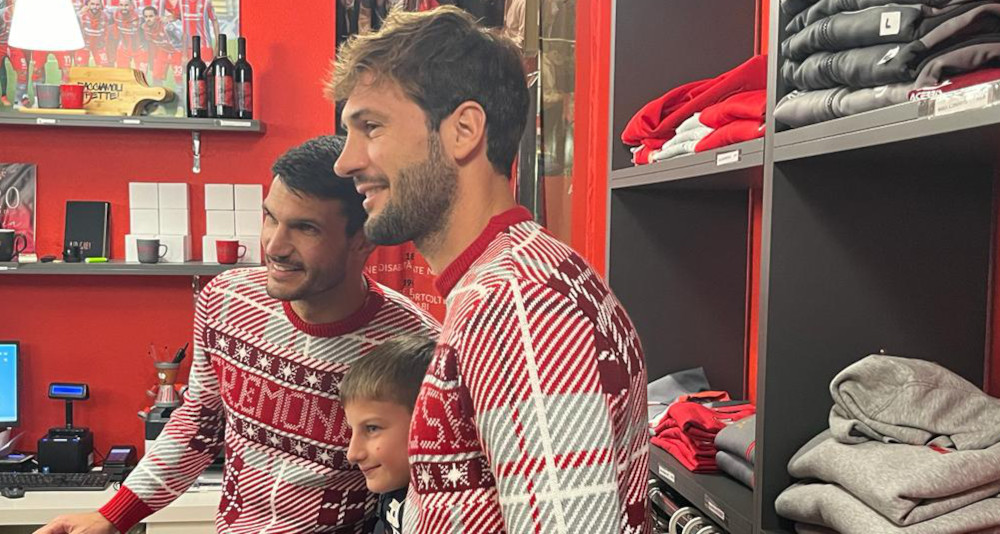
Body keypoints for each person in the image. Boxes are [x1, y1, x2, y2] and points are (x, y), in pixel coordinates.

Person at [331, 7, 650, 534]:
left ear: (463, 130)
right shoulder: (512, 279)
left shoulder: (516, 303)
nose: (345, 162)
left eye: (371, 127)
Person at [34, 136, 442, 534]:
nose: (275, 246)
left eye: (305, 228)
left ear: (363, 240)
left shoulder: (416, 344)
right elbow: (199, 424)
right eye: (270, 218)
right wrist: (112, 516)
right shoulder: (225, 300)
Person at [341, 335, 436, 534]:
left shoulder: (444, 512)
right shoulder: (393, 489)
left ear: (428, 421)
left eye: (372, 428)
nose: (352, 454)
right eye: (353, 430)